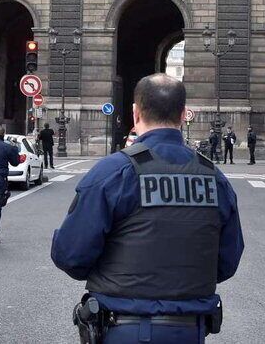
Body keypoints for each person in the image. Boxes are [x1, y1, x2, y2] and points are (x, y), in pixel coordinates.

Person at [51, 73, 245, 344]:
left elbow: (70, 255)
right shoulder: (214, 177)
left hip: (123, 329)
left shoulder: (113, 172)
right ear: (182, 114)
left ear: (135, 113)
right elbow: (227, 262)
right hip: (189, 331)